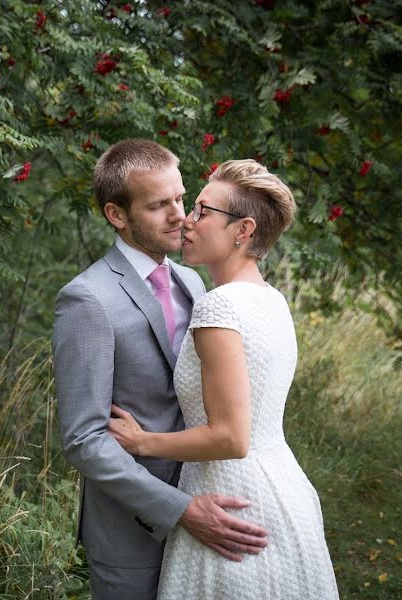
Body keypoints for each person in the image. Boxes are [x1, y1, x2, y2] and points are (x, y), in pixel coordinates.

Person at [108, 159, 339, 598]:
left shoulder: (219, 307)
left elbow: (231, 438)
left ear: (243, 230)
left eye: (202, 211)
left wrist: (142, 443)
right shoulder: (270, 299)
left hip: (231, 497)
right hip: (283, 488)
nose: (186, 221)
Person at [53, 140, 268, 600]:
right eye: (157, 205)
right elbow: (83, 440)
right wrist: (180, 508)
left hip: (209, 503)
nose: (179, 216)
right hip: (133, 528)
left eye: (180, 199)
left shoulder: (191, 280)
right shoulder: (87, 299)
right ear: (117, 214)